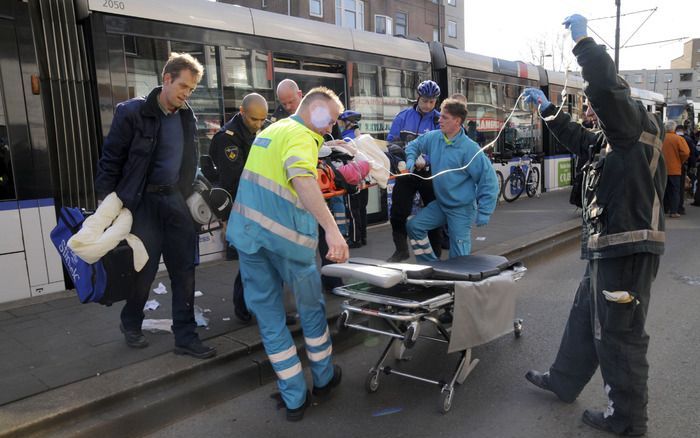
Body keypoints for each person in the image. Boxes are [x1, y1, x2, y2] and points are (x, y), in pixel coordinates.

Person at [522, 14, 666, 436]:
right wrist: (549, 111)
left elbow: (604, 86)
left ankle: (627, 420)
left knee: (619, 336)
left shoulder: (632, 126)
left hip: (627, 247)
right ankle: (564, 380)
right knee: (587, 317)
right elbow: (579, 139)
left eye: (593, 106)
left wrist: (583, 41)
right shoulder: (613, 138)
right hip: (609, 247)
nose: (589, 111)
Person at [228, 87, 347, 421]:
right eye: (330, 121)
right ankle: (323, 380)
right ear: (318, 113)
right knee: (311, 310)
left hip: (250, 236)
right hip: (289, 243)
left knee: (269, 319)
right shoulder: (302, 135)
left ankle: (294, 398)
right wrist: (332, 228)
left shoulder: (272, 129)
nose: (330, 129)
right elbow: (300, 176)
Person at [94, 53, 216, 359]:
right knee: (143, 271)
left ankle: (185, 337)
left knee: (184, 270)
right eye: (183, 86)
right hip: (142, 202)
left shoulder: (187, 116)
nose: (186, 93)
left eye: (191, 89)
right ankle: (131, 322)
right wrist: (106, 206)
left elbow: (190, 160)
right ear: (166, 79)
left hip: (174, 199)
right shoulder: (132, 113)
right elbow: (110, 160)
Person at [405, 98, 499, 261]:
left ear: (457, 121)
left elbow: (488, 180)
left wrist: (485, 211)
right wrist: (411, 159)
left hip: (462, 209)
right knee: (414, 226)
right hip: (442, 204)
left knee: (459, 255)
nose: (439, 120)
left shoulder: (470, 149)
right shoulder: (435, 138)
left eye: (444, 117)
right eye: (440, 116)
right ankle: (432, 266)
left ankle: (458, 285)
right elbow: (414, 145)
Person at [208, 93, 269, 322]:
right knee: (251, 261)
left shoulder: (263, 129)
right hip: (244, 207)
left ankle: (263, 308)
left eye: (263, 119)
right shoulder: (228, 138)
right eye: (254, 119)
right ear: (242, 113)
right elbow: (235, 180)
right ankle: (244, 309)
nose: (259, 124)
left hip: (263, 204)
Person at [386, 80, 443, 262]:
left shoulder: (439, 120)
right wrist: (401, 158)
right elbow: (392, 142)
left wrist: (426, 159)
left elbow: (443, 148)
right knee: (397, 212)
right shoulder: (403, 117)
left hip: (429, 173)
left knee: (434, 211)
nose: (428, 105)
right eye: (425, 101)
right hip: (407, 172)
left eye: (432, 102)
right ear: (418, 98)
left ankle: (436, 252)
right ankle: (401, 250)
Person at [337, 110, 368, 248]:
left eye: (341, 122)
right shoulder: (360, 136)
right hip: (363, 177)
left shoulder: (346, 139)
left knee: (352, 210)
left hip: (353, 179)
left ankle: (355, 239)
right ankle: (363, 237)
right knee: (361, 209)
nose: (340, 125)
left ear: (348, 123)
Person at [661, 120, 689, 218]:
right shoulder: (678, 139)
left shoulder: (661, 138)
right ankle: (674, 211)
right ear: (674, 128)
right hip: (675, 169)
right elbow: (686, 152)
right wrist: (680, 160)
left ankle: (664, 209)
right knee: (675, 191)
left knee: (663, 190)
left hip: (662, 169)